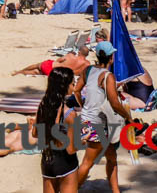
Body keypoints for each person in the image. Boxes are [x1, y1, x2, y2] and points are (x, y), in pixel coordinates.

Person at [74, 42, 132, 193]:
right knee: (88, 162)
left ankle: (115, 190)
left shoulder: (88, 70)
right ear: (111, 58)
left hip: (87, 119)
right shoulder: (108, 76)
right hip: (97, 123)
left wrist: (84, 106)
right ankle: (71, 190)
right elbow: (114, 103)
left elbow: (76, 90)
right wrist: (128, 117)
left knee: (111, 156)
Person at [36, 67, 80, 191]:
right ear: (64, 86)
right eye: (72, 84)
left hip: (47, 161)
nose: (74, 87)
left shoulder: (43, 105)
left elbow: (35, 133)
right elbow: (71, 149)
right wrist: (83, 140)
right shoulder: (70, 114)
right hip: (66, 164)